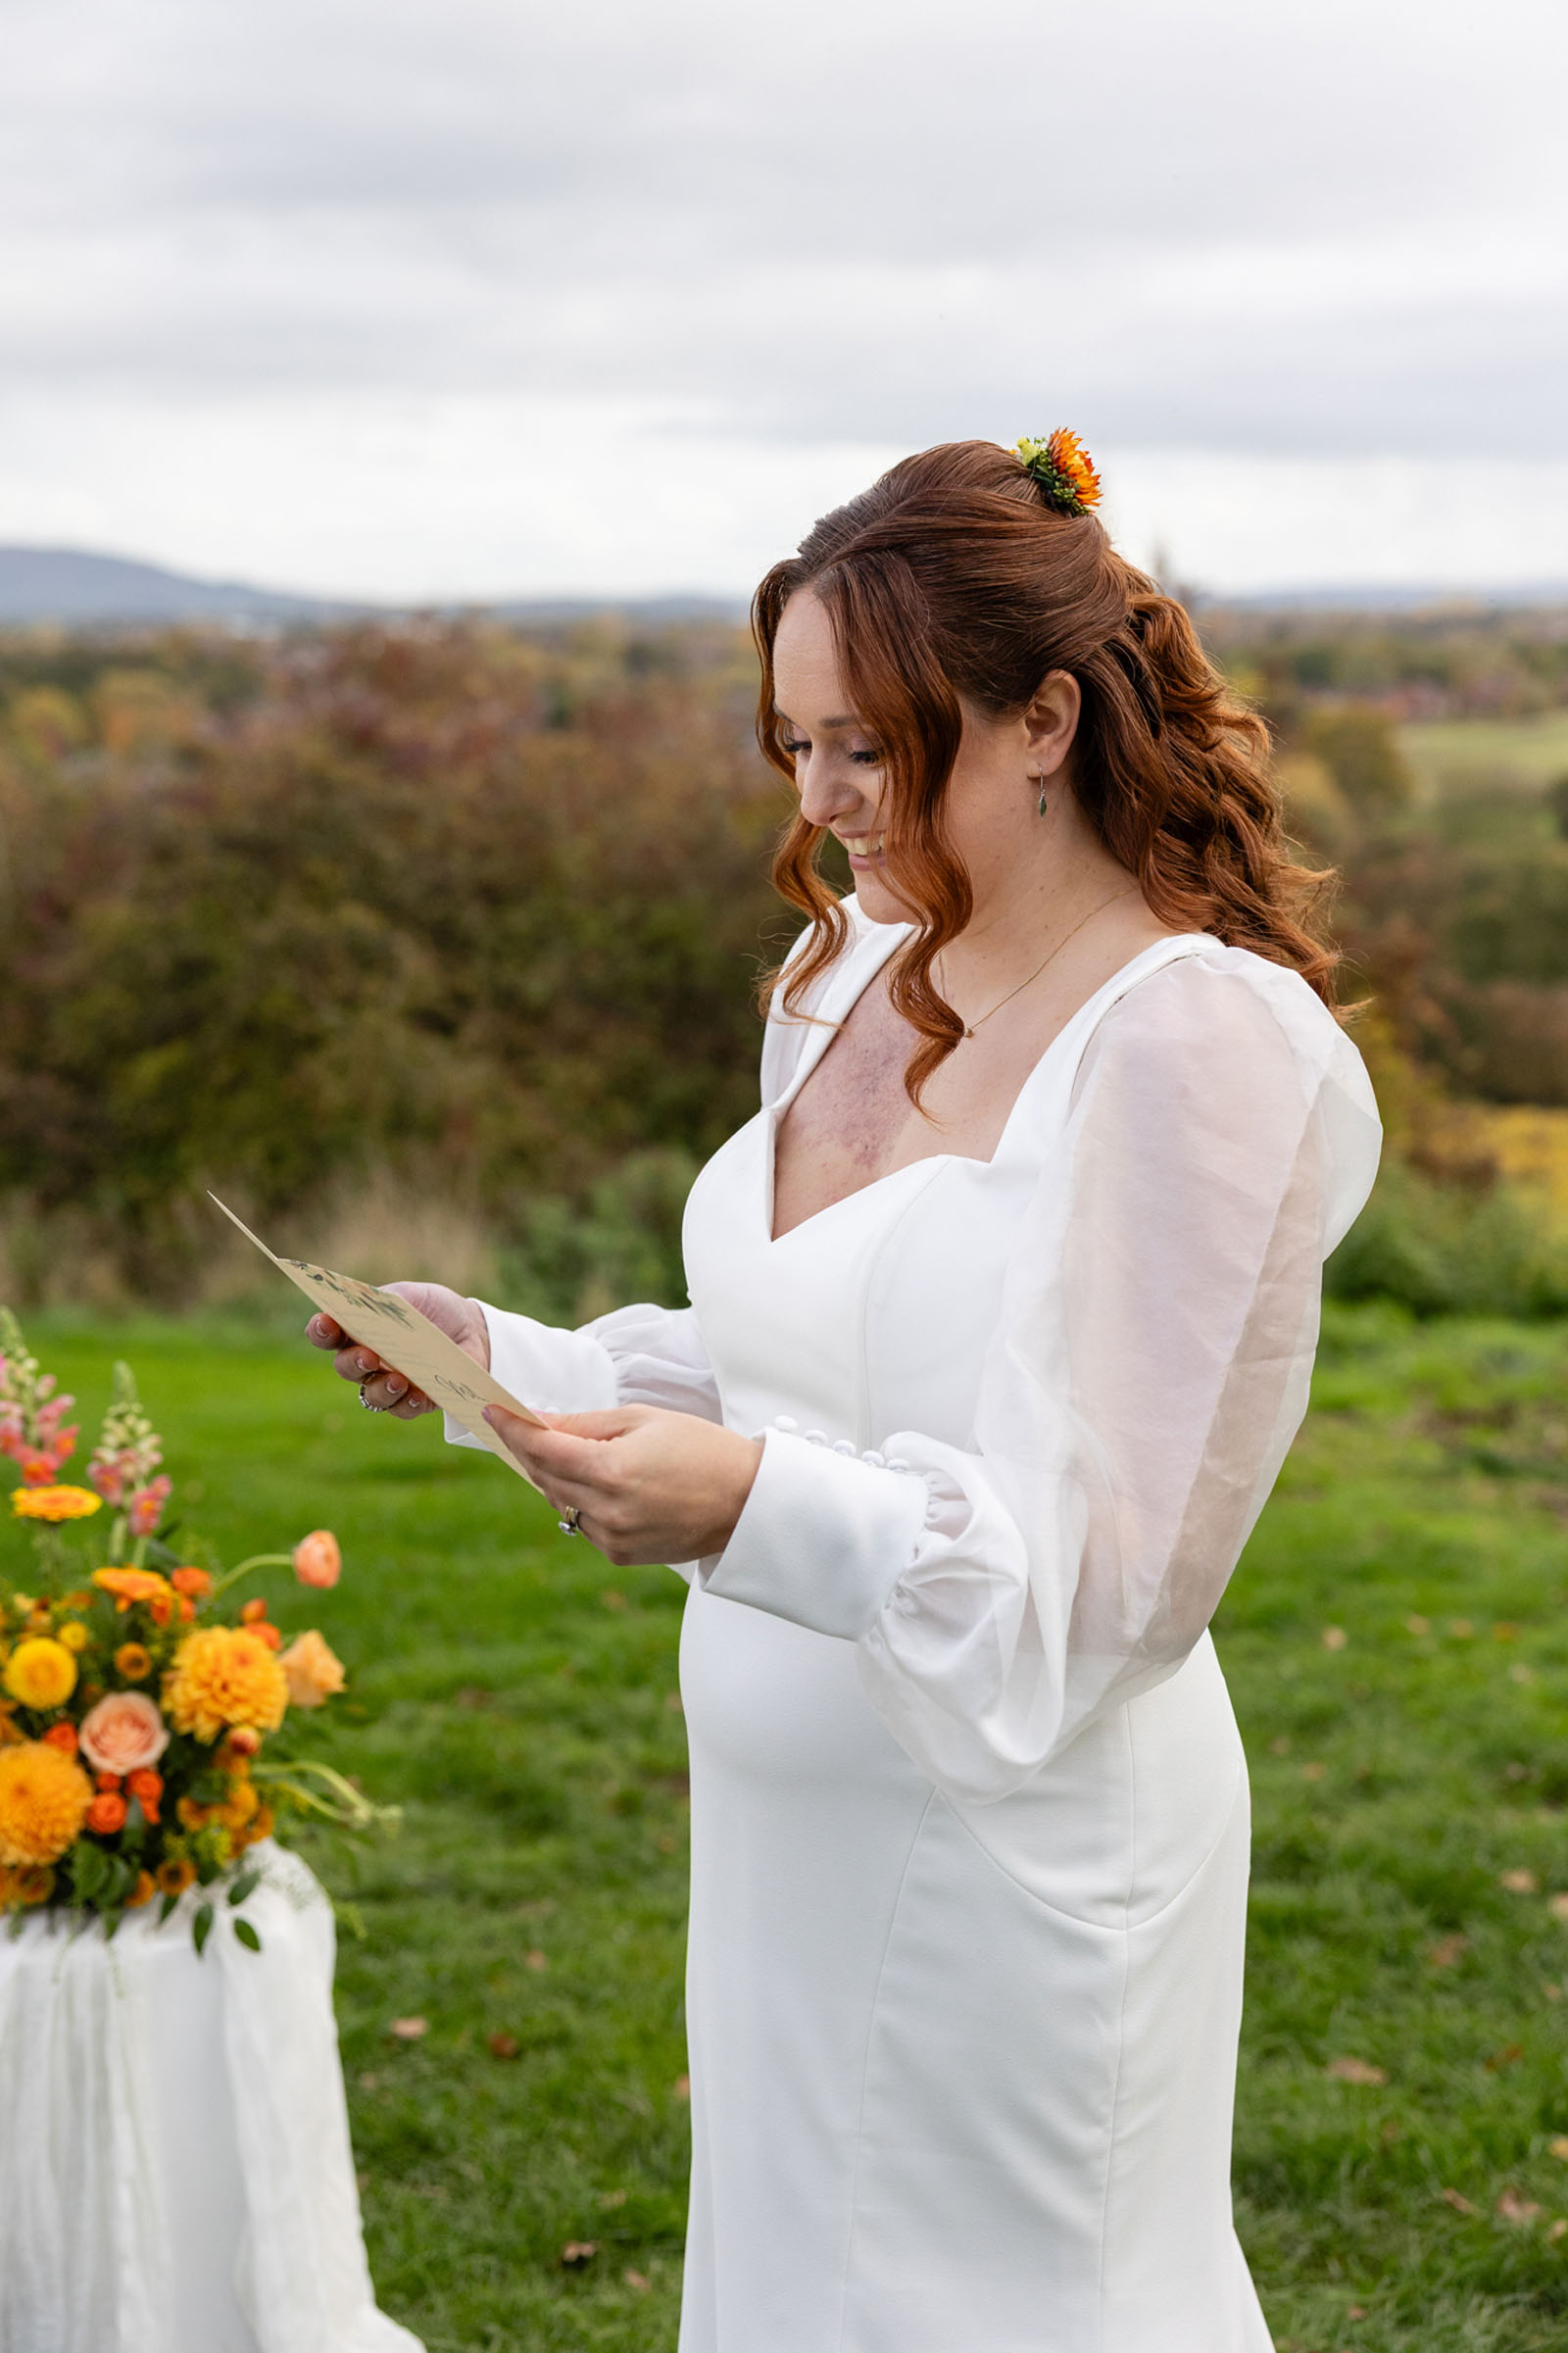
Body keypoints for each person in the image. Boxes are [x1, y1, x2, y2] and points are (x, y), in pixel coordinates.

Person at [308, 433, 1381, 2352]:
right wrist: (513, 1361)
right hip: (786, 1839)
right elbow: (805, 1352)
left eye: (872, 744)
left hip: (1015, 1858)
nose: (822, 798)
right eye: (793, 743)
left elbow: (1117, 1579)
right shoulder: (839, 972)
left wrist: (746, 1509)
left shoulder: (1188, 1044)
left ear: (1041, 716)